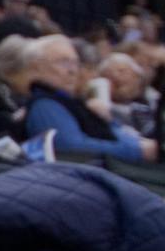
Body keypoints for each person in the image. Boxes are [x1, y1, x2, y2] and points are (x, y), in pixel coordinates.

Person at [25, 35, 155, 161]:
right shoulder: (45, 104)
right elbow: (72, 149)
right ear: (37, 67)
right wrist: (138, 150)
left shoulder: (72, 102)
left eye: (75, 63)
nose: (72, 70)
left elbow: (110, 133)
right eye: (63, 62)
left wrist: (141, 144)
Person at [91, 53, 158, 141]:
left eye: (122, 71)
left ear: (137, 77)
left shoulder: (152, 102)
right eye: (108, 74)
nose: (116, 76)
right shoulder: (101, 110)